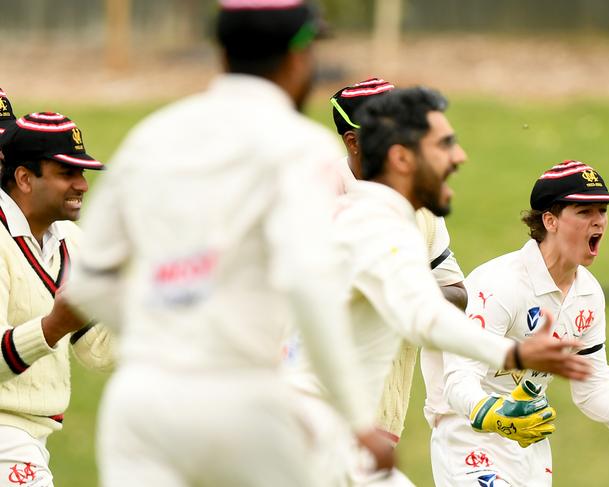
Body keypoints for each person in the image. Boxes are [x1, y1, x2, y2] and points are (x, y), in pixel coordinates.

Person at [63, 1, 393, 486]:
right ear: (298, 59)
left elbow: (88, 284)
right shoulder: (302, 147)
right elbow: (309, 285)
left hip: (142, 402)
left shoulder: (151, 136)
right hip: (242, 395)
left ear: (221, 54)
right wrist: (359, 420)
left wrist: (169, 330)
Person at [285, 87, 592, 486]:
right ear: (401, 158)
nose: (459, 156)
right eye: (444, 145)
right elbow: (424, 317)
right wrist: (513, 353)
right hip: (308, 434)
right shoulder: (371, 226)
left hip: (323, 430)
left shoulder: (380, 218)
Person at [432, 160, 609, 486]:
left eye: (602, 210)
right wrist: (498, 416)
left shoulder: (588, 294)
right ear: (550, 220)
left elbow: (592, 388)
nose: (599, 221)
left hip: (531, 446)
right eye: (584, 212)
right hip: (469, 438)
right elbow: (458, 381)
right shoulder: (498, 284)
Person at [334, 78, 468, 485]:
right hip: (316, 425)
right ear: (355, 143)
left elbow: (458, 294)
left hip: (382, 428)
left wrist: (403, 292)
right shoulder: (317, 201)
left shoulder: (421, 207)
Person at [0, 112, 113, 487]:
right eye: (67, 173)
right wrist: (54, 326)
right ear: (24, 178)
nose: (82, 185)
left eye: (82, 173)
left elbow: (95, 347)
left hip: (33, 437)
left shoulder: (68, 239)